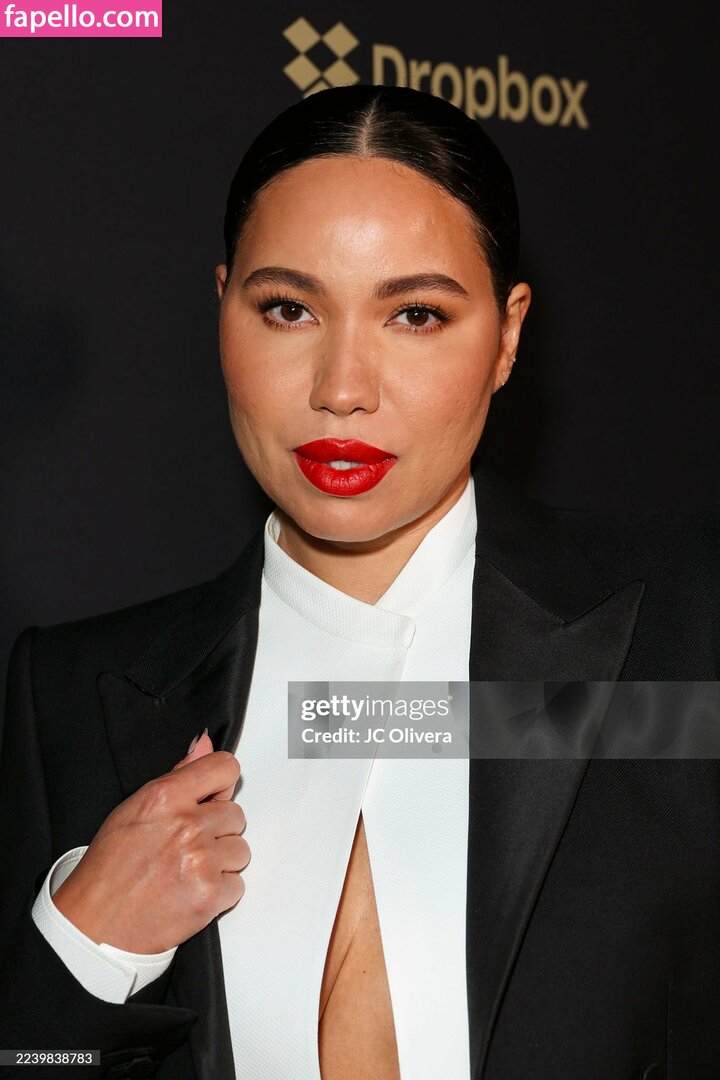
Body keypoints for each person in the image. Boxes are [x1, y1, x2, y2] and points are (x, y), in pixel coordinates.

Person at [0, 83, 718, 1080]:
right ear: (223, 309)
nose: (342, 388)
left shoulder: (687, 635)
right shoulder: (76, 694)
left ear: (507, 337)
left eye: (415, 314)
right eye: (288, 309)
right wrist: (83, 949)